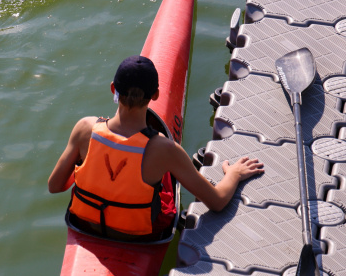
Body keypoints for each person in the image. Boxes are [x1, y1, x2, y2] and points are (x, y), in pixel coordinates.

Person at [48, 55, 264, 240]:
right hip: (140, 237)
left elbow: (55, 185)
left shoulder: (85, 128)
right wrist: (234, 174)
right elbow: (217, 202)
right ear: (155, 95)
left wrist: (92, 171)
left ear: (113, 89)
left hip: (86, 225)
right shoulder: (165, 149)